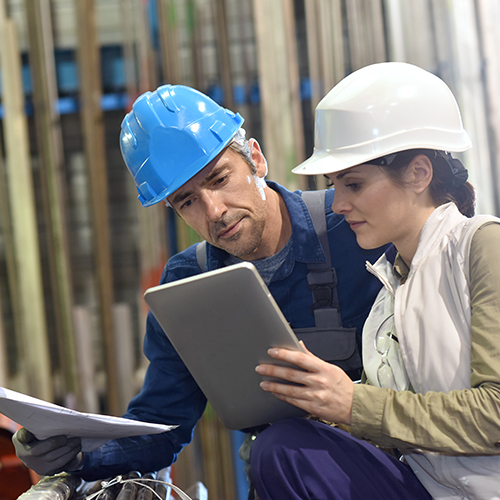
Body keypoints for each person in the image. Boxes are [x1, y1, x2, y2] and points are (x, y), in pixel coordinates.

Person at [12, 84, 386, 481]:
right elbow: (162, 425)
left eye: (220, 178)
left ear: (256, 159)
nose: (215, 211)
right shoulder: (189, 282)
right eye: (187, 201)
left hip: (395, 466)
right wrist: (77, 454)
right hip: (288, 477)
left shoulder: (352, 223)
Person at [249, 61, 500, 500]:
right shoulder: (389, 295)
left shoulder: (482, 248)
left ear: (419, 174)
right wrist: (325, 408)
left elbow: (495, 415)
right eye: (334, 185)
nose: (339, 204)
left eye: (354, 184)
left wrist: (353, 403)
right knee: (282, 449)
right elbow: (403, 430)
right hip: (430, 488)